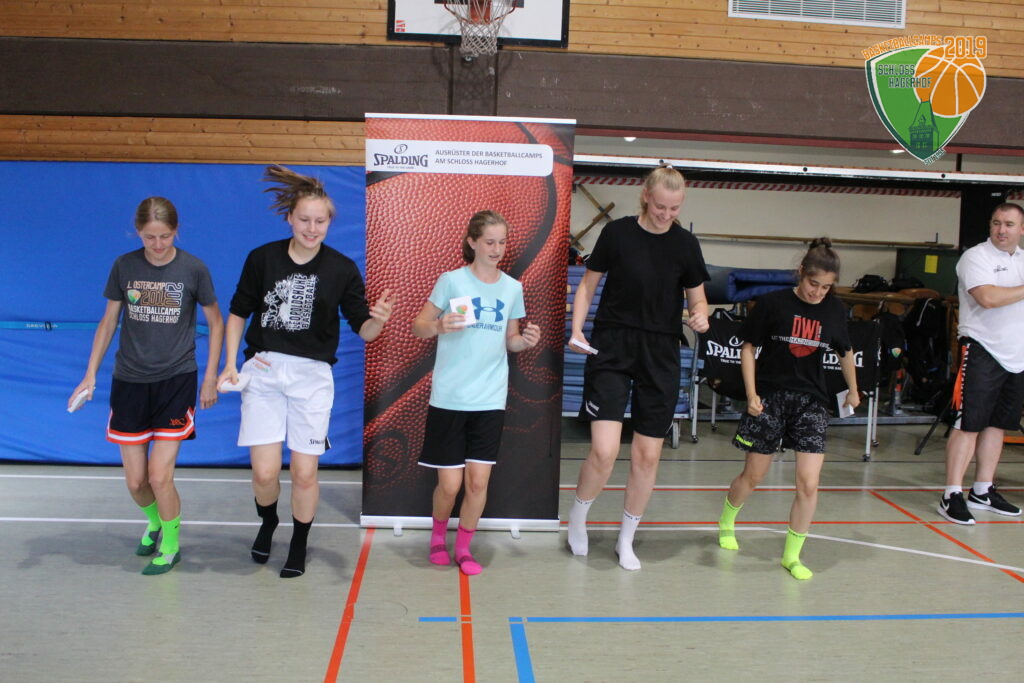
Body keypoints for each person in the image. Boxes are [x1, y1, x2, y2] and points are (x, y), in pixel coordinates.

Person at [217, 165, 393, 578]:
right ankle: (268, 523)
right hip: (263, 370)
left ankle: (298, 542)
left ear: (329, 222)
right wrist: (229, 363)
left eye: (320, 221)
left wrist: (379, 321)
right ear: (289, 219)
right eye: (304, 220)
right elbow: (238, 312)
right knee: (264, 472)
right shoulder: (262, 258)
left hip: (312, 377)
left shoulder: (342, 269)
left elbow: (364, 330)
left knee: (304, 471)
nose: (312, 228)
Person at [69, 197, 224, 575]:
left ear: (176, 231)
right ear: (137, 232)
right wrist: (90, 373)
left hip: (176, 380)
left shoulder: (193, 269)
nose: (157, 244)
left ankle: (170, 546)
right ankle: (155, 522)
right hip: (130, 381)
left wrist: (210, 377)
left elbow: (216, 322)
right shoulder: (124, 266)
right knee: (137, 481)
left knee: (159, 476)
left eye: (165, 236)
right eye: (150, 237)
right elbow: (109, 321)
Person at [566, 163, 710, 571]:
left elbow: (698, 299)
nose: (666, 214)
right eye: (661, 206)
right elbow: (588, 285)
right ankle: (577, 518)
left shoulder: (686, 244)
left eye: (674, 208)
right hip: (613, 345)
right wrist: (576, 329)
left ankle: (626, 539)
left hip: (660, 352)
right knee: (604, 450)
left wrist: (700, 315)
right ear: (646, 196)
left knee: (647, 456)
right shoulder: (618, 233)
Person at [717, 237, 859, 581]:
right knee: (754, 476)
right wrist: (751, 394)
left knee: (809, 484)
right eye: (813, 283)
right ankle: (727, 520)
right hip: (771, 398)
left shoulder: (834, 310)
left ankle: (791, 556)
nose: (818, 292)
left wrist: (854, 390)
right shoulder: (773, 304)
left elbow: (845, 351)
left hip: (811, 402)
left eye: (826, 287)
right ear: (801, 273)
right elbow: (748, 348)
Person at [412, 210, 540, 576]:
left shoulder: (512, 288)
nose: (497, 249)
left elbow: (510, 340)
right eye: (489, 242)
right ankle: (438, 538)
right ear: (472, 242)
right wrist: (439, 325)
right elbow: (418, 326)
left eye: (502, 242)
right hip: (450, 397)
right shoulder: (452, 281)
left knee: (478, 481)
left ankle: (464, 549)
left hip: (490, 399)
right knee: (449, 486)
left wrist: (524, 342)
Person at [937, 202, 1024, 525]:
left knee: (997, 424)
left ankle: (982, 490)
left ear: (1021, 229)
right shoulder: (976, 257)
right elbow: (987, 298)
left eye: (1009, 224)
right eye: (996, 223)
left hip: (1016, 356)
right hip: (982, 349)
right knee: (968, 424)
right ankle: (951, 494)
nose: (1002, 230)